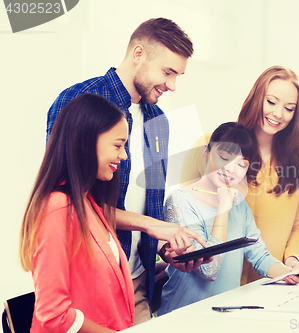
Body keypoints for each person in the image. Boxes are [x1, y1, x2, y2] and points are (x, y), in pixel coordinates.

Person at [46, 18, 207, 324]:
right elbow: (68, 206)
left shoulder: (159, 121)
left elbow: (150, 205)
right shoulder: (76, 102)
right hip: (90, 285)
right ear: (138, 54)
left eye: (178, 75)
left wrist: (168, 249)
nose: (172, 85)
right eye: (168, 72)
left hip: (138, 284)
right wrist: (150, 225)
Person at [158, 122, 299, 315]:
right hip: (183, 317)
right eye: (224, 158)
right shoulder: (180, 201)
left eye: (241, 165)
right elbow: (209, 270)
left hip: (223, 315)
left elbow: (259, 255)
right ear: (207, 153)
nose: (231, 170)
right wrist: (223, 209)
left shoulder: (239, 204)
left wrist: (288, 273)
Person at [180, 66, 299, 284]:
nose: (278, 114)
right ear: (256, 99)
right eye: (271, 102)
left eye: (289, 108)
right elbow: (183, 215)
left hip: (269, 283)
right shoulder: (208, 146)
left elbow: (296, 227)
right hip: (209, 284)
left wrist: (292, 261)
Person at [20, 94, 134, 332]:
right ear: (85, 142)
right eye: (117, 145)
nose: (123, 155)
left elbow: (101, 279)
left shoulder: (87, 203)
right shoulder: (57, 207)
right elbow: (53, 314)